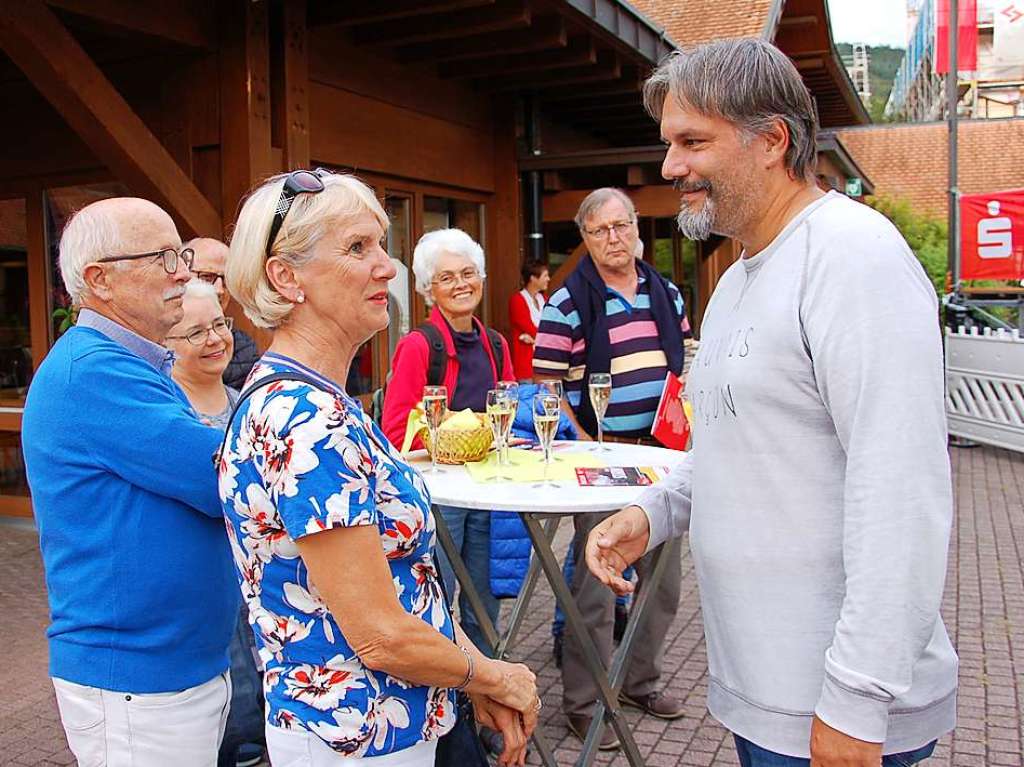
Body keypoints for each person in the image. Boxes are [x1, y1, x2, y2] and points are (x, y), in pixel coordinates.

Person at [586, 39, 957, 767]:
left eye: (693, 141)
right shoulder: (736, 282)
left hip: (836, 707)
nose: (670, 168)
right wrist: (653, 512)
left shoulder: (854, 257)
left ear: (772, 141)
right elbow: (724, 449)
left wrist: (856, 698)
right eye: (669, 143)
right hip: (765, 694)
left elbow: (901, 492)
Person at [221, 169, 538, 766]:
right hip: (358, 737)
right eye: (357, 248)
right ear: (286, 277)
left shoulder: (314, 399)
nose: (387, 267)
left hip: (379, 726)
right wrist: (494, 676)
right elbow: (380, 634)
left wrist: (470, 677)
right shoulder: (304, 417)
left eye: (381, 244)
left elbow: (412, 585)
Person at [22, 198, 237, 766]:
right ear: (101, 281)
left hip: (166, 670)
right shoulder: (94, 371)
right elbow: (220, 475)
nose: (183, 271)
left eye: (181, 254)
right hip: (139, 677)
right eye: (162, 256)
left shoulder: (132, 364)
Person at [530, 188, 687, 749]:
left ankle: (639, 681)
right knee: (594, 588)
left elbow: (682, 368)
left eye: (621, 226)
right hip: (601, 460)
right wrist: (583, 443)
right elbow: (547, 384)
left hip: (661, 458)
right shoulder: (567, 303)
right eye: (600, 231)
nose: (614, 239)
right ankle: (585, 698)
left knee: (662, 584)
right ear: (586, 238)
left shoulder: (665, 292)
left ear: (636, 227)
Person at [381, 228, 516, 659]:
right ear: (427, 290)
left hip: (487, 490)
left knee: (483, 604)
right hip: (441, 495)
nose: (461, 284)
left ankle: (484, 702)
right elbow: (395, 425)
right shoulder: (420, 345)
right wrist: (450, 435)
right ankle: (444, 703)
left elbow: (508, 408)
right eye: (447, 277)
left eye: (468, 273)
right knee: (434, 601)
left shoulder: (496, 343)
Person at [164, 279, 267, 767]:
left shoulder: (246, 404)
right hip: (206, 596)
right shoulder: (165, 413)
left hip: (262, 591)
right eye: (195, 332)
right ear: (167, 343)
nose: (215, 340)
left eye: (220, 325)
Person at [188, 236, 261, 389]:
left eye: (226, 281)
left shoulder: (243, 349)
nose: (219, 290)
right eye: (207, 277)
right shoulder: (155, 342)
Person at [507, 261, 549, 381]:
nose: (548, 279)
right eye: (545, 276)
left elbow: (552, 326)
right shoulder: (517, 300)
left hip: (545, 363)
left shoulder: (544, 299)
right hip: (526, 366)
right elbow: (529, 327)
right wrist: (547, 338)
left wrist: (534, 340)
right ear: (533, 278)